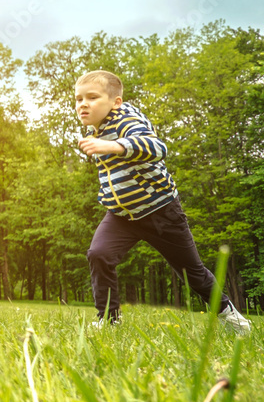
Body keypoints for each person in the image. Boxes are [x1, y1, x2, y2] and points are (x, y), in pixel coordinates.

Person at [75, 70, 250, 334]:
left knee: (192, 274)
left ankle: (231, 316)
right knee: (99, 254)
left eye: (92, 97)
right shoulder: (96, 127)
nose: (83, 104)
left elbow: (157, 147)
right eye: (78, 99)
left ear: (116, 102)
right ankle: (108, 321)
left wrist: (115, 146)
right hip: (122, 215)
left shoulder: (127, 121)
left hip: (160, 212)